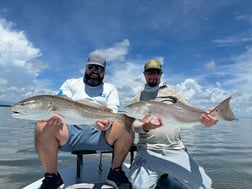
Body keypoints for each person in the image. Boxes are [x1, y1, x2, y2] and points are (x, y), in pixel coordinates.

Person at [35, 53, 134, 189]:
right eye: (91, 67)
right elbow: (61, 101)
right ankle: (52, 177)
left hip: (101, 135)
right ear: (85, 68)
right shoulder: (71, 83)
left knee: (125, 124)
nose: (95, 71)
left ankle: (115, 171)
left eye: (99, 69)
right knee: (42, 124)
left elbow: (112, 112)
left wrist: (107, 124)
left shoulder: (110, 89)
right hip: (71, 133)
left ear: (104, 72)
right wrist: (54, 117)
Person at [128, 59, 218, 189]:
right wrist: (145, 126)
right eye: (149, 72)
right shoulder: (138, 98)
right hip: (148, 151)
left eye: (156, 72)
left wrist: (209, 120)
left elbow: (191, 112)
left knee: (205, 186)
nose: (153, 75)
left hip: (175, 149)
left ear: (161, 74)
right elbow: (132, 125)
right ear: (144, 74)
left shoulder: (174, 94)